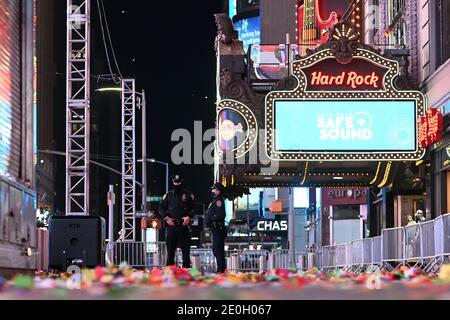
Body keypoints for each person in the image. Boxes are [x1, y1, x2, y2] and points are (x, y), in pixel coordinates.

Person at [159, 175, 195, 268]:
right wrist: (166, 218)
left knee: (186, 253)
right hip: (172, 226)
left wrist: (189, 216)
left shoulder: (188, 194)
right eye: (175, 182)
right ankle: (170, 272)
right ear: (172, 182)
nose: (177, 184)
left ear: (181, 182)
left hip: (184, 226)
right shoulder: (168, 195)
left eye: (178, 182)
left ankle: (186, 273)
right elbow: (161, 208)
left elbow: (194, 208)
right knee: (170, 252)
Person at [205, 182, 227, 273]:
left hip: (218, 229)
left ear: (218, 191)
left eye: (214, 189)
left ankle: (220, 270)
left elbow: (221, 215)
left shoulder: (218, 201)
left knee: (218, 250)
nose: (212, 190)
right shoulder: (215, 200)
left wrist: (210, 218)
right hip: (215, 229)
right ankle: (221, 269)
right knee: (217, 250)